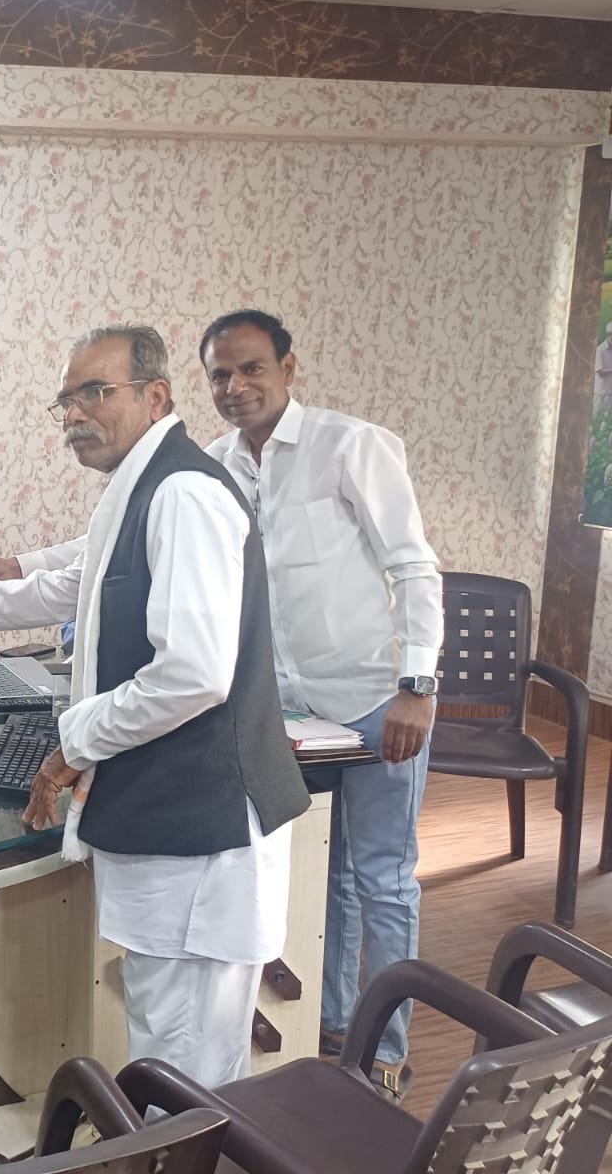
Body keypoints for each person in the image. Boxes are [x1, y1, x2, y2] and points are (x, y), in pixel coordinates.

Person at [0, 325, 309, 1087]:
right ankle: (166, 1141)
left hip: (203, 825)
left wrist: (76, 740)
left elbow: (192, 674)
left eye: (95, 392)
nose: (75, 414)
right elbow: (71, 586)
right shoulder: (141, 489)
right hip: (173, 820)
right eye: (65, 400)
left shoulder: (183, 494)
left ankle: (175, 1145)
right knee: (168, 1043)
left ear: (156, 396)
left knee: (187, 1058)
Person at [200, 309, 440, 1098]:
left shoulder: (351, 446)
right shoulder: (216, 465)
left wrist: (417, 687)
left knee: (381, 877)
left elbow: (413, 567)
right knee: (318, 872)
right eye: (220, 375)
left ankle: (387, 1051)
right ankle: (332, 1026)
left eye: (251, 369)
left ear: (288, 369)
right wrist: (16, 569)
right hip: (289, 714)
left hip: (374, 702)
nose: (236, 387)